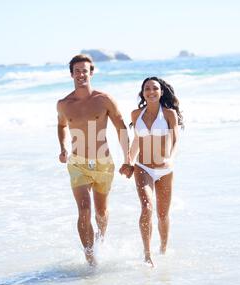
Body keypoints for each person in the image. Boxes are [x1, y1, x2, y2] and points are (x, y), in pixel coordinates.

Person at [57, 54, 134, 266]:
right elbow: (62, 125)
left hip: (103, 162)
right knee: (84, 210)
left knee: (101, 212)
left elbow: (121, 127)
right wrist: (63, 148)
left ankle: (101, 240)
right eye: (77, 70)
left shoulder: (104, 100)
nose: (81, 74)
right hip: (78, 163)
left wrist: (127, 158)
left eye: (85, 70)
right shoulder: (64, 104)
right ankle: (91, 259)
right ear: (71, 74)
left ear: (91, 73)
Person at [129, 77, 183, 267]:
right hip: (143, 167)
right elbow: (136, 140)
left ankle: (163, 249)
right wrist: (129, 161)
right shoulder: (136, 114)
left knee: (162, 215)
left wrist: (171, 158)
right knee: (146, 208)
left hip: (165, 170)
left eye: (155, 88)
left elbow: (176, 140)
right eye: (147, 89)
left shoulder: (169, 114)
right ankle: (147, 254)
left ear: (161, 92)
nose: (151, 91)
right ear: (143, 93)